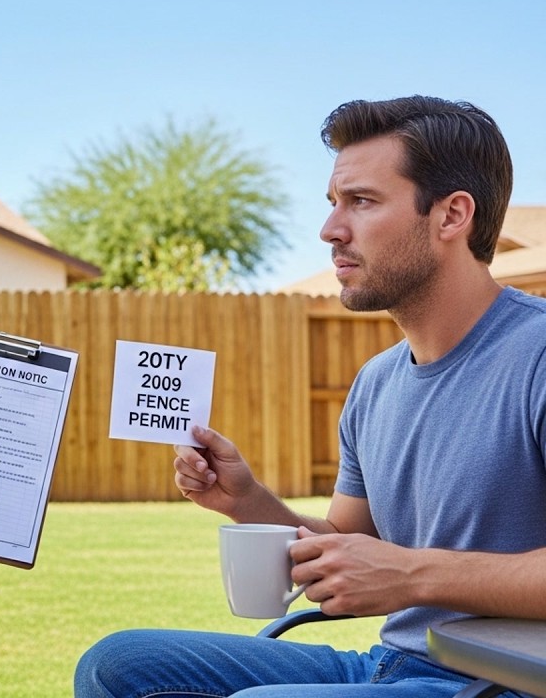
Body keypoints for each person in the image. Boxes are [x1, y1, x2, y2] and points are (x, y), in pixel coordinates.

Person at [75, 95, 546, 697]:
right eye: (333, 203)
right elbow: (342, 545)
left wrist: (413, 575)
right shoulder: (377, 383)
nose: (330, 230)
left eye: (362, 201)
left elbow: (396, 571)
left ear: (452, 215)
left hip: (503, 683)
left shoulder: (535, 355)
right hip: (393, 665)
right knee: (114, 665)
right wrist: (246, 500)